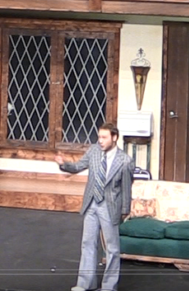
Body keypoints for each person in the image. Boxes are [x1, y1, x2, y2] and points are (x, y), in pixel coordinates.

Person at [55, 122, 133, 291]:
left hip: (110, 206)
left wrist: (125, 210)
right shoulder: (94, 151)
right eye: (99, 137)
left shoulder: (125, 161)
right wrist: (63, 164)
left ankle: (109, 287)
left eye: (104, 137)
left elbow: (126, 188)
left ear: (114, 137)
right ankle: (85, 284)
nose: (100, 141)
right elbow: (78, 166)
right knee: (88, 243)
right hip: (91, 204)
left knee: (112, 248)